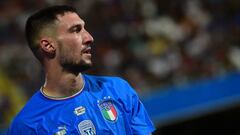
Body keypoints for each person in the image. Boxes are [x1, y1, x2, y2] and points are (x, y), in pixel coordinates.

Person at [7, 5, 155, 135]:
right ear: (48, 46)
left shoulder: (117, 90)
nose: (89, 37)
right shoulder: (26, 126)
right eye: (76, 30)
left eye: (84, 28)